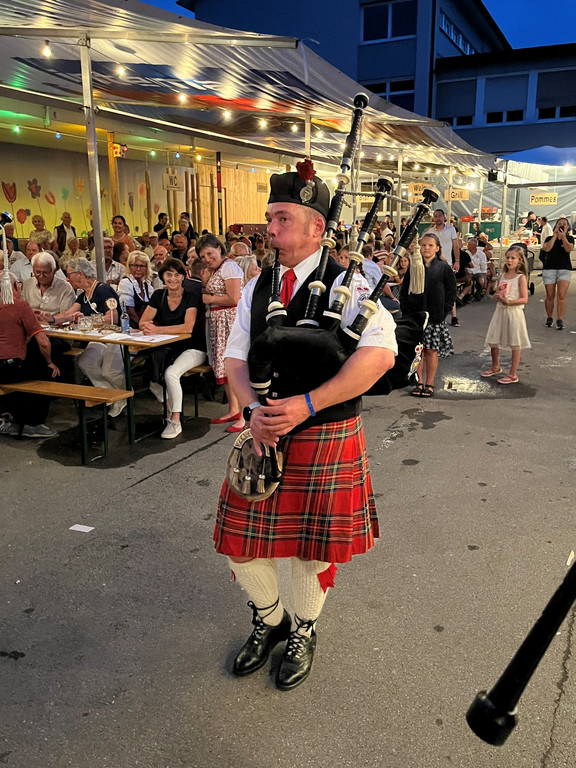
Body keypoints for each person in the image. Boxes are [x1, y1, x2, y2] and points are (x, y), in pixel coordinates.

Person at [215, 163, 397, 691]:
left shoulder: (352, 281)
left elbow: (380, 357)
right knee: (240, 543)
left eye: (282, 218)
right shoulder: (257, 286)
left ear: (317, 227)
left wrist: (307, 405)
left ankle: (304, 628)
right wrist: (252, 414)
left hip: (324, 434)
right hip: (264, 432)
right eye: (270, 217)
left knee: (309, 550)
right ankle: (271, 619)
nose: (269, 228)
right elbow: (236, 358)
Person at [45, 258, 126, 417]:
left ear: (80, 274)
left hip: (114, 338)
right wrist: (51, 319)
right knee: (85, 362)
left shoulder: (103, 290)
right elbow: (68, 314)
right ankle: (110, 394)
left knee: (110, 371)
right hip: (98, 340)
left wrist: (87, 320)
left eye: (69, 274)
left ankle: (123, 396)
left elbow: (113, 317)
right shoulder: (83, 296)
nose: (67, 279)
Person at [139, 258, 207, 438]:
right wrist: (147, 327)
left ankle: (175, 421)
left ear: (184, 276)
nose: (173, 279)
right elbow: (142, 322)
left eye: (177, 275)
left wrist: (157, 329)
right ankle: (170, 406)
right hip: (168, 348)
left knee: (170, 373)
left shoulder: (191, 296)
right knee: (153, 374)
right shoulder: (158, 296)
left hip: (194, 347)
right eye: (168, 274)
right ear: (162, 277)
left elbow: (187, 327)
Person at [0, 274, 59, 438]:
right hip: (9, 368)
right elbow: (44, 342)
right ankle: (32, 424)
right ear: (15, 287)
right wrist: (49, 362)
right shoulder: (20, 306)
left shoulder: (18, 307)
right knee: (45, 369)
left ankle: (9, 414)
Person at [196, 233, 245, 433]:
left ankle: (243, 414)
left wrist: (209, 298)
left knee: (233, 365)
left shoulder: (229, 267)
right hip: (218, 321)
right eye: (203, 257)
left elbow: (234, 298)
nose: (207, 259)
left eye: (209, 253)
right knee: (223, 365)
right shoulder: (214, 270)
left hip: (229, 321)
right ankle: (233, 408)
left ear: (218, 248)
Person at [400, 232, 456, 398]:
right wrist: (405, 307)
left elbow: (451, 292)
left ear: (437, 248)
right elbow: (405, 290)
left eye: (430, 245)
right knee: (418, 351)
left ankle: (429, 382)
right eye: (423, 245)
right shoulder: (414, 265)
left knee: (431, 350)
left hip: (434, 316)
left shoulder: (443, 267)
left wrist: (443, 310)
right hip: (415, 315)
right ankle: (418, 381)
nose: (426, 248)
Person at [481, 245, 530, 384]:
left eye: (513, 258)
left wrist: (509, 301)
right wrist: (497, 295)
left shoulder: (521, 277)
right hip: (501, 310)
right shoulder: (503, 275)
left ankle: (513, 373)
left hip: (513, 311)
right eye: (508, 257)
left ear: (519, 261)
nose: (509, 260)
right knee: (494, 337)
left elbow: (524, 298)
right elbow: (500, 290)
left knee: (515, 341)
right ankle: (495, 366)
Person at [424, 209, 460, 326]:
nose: (437, 218)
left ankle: (454, 316)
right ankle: (436, 315)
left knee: (449, 289)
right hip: (433, 264)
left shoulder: (451, 229)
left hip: (447, 264)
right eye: (435, 216)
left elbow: (455, 246)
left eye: (439, 216)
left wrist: (457, 261)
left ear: (444, 217)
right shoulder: (430, 230)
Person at [540, 216, 574, 330]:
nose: (562, 225)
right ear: (555, 225)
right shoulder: (549, 238)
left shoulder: (569, 238)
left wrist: (563, 237)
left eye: (564, 224)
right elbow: (547, 249)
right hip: (550, 268)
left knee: (561, 295)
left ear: (568, 227)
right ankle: (549, 317)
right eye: (560, 224)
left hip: (564, 269)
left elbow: (569, 249)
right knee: (550, 295)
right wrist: (555, 236)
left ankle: (560, 319)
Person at [117, 251, 154, 329]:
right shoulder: (126, 283)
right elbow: (129, 312)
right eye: (135, 265)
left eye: (142, 266)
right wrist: (142, 327)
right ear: (129, 267)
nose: (138, 269)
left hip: (145, 326)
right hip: (131, 327)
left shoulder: (147, 285)